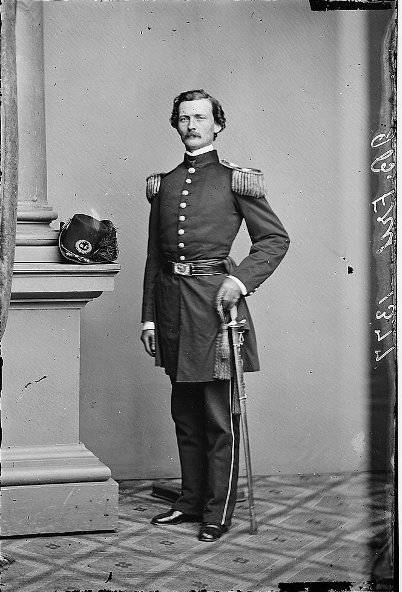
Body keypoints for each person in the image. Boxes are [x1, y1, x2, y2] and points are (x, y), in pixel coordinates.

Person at [141, 89, 289, 542]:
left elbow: (274, 240)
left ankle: (216, 511)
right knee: (184, 413)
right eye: (184, 118)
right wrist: (148, 317)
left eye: (201, 117)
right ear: (176, 124)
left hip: (214, 308)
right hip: (170, 309)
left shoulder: (235, 180)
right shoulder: (163, 184)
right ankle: (189, 502)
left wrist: (239, 281)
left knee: (217, 415)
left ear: (217, 124)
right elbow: (153, 256)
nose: (192, 125)